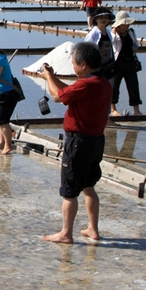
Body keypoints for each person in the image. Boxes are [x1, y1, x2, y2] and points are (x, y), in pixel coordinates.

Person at [37, 42, 112, 245]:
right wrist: (52, 77)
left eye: (73, 63)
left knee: (69, 190)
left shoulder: (86, 84)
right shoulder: (102, 82)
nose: (73, 67)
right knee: (89, 186)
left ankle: (66, 233)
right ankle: (93, 229)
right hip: (96, 142)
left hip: (78, 143)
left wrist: (48, 77)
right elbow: (68, 92)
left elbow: (57, 96)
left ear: (83, 64)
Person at [110, 10, 143, 117]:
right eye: (125, 23)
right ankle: (113, 109)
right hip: (117, 64)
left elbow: (135, 43)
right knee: (114, 87)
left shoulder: (131, 32)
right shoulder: (113, 34)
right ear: (119, 25)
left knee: (133, 86)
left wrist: (135, 47)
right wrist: (114, 33)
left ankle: (136, 110)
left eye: (128, 23)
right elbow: (112, 43)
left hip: (130, 63)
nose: (128, 25)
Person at [84, 7, 117, 80]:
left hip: (107, 66)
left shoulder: (108, 32)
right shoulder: (93, 34)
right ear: (96, 19)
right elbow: (86, 51)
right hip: (96, 68)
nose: (104, 20)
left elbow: (111, 49)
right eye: (101, 18)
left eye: (106, 17)